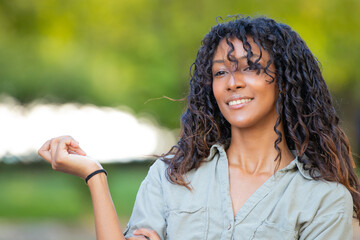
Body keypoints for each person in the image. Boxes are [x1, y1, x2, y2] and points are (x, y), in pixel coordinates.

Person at [38, 16, 360, 240]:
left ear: (286, 81)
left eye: (249, 67)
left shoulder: (324, 199)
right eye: (220, 73)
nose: (232, 82)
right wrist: (95, 176)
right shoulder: (172, 175)